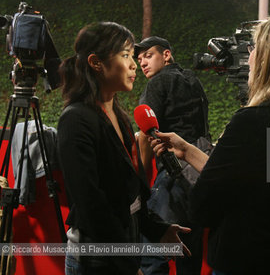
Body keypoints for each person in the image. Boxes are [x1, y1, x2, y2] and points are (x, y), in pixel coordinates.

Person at [149, 10, 270, 274]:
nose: (248, 57)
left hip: (248, 263)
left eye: (254, 48)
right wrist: (189, 151)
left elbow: (202, 207)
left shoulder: (252, 122)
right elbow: (256, 180)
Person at [57, 22, 190, 275]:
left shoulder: (121, 117)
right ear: (97, 62)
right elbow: (91, 206)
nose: (133, 65)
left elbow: (129, 194)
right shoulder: (75, 119)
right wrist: (128, 266)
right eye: (126, 55)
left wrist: (156, 228)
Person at [135, 36, 211, 275]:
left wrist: (142, 182)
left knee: (151, 250)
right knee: (189, 250)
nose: (142, 64)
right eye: (139, 59)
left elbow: (146, 135)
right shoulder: (193, 80)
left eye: (148, 56)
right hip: (199, 175)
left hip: (172, 176)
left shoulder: (157, 84)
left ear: (166, 55)